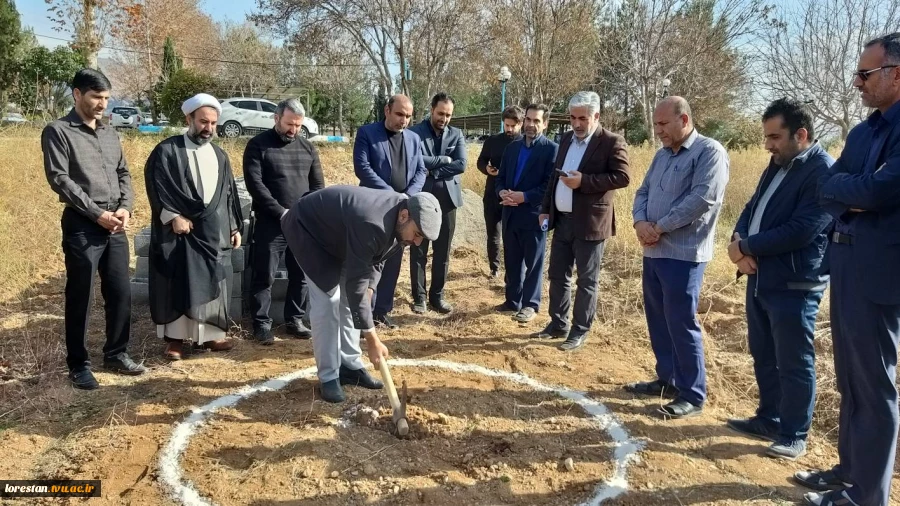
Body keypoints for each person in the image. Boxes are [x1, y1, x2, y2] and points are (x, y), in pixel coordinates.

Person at [800, 32, 900, 506]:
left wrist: (856, 191)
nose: (856, 82)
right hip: (844, 263)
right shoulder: (864, 131)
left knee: (874, 384)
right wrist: (856, 193)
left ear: (895, 73)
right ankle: (848, 471)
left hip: (880, 273)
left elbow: (881, 193)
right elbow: (826, 187)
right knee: (849, 378)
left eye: (865, 73)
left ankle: (867, 496)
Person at [725, 98, 833, 461]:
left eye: (774, 136)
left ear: (801, 134)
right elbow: (751, 207)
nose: (767, 144)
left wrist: (748, 246)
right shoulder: (777, 164)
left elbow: (802, 230)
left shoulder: (822, 171)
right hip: (761, 275)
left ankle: (794, 433)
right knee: (763, 352)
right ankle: (768, 418)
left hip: (795, 283)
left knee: (794, 360)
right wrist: (737, 242)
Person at [281, 186, 441, 402]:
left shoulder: (403, 215)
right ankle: (329, 376)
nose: (417, 242)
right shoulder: (372, 222)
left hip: (342, 237)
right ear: (404, 216)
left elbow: (378, 259)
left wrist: (371, 289)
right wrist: (372, 339)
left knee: (349, 302)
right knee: (329, 301)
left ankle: (349, 366)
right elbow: (356, 283)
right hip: (309, 232)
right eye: (418, 234)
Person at [41, 68, 146, 389]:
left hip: (115, 225)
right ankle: (79, 365)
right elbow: (60, 179)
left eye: (106, 98)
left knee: (120, 292)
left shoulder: (109, 133)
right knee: (81, 295)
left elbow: (124, 173)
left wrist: (126, 207)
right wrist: (97, 213)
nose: (102, 104)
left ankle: (116, 353)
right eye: (96, 97)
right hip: (82, 226)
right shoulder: (58, 131)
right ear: (77, 94)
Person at [625, 96, 729, 419]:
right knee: (659, 318)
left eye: (663, 124)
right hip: (653, 250)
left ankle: (692, 393)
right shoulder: (661, 157)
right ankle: (667, 379)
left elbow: (702, 199)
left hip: (683, 255)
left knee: (682, 322)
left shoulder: (710, 152)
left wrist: (659, 226)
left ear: (683, 120)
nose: (658, 131)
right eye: (656, 124)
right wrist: (640, 222)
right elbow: (642, 192)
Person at [144, 94, 243, 361]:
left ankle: (211, 336)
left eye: (213, 123)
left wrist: (233, 226)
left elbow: (228, 195)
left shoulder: (220, 155)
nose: (208, 128)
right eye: (203, 122)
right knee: (177, 278)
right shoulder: (167, 151)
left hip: (212, 232)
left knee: (214, 276)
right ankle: (175, 340)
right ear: (188, 119)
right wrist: (172, 216)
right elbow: (157, 188)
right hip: (180, 232)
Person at [537, 91, 630, 351]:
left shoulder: (612, 142)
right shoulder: (566, 139)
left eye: (583, 118)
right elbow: (554, 179)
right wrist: (545, 209)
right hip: (562, 220)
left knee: (587, 280)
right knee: (557, 275)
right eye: (572, 118)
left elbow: (622, 177)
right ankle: (558, 323)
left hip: (590, 223)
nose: (577, 124)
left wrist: (584, 182)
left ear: (596, 116)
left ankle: (580, 330)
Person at [244, 98, 325, 344]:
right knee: (264, 275)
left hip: (301, 223)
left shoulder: (308, 148)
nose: (293, 130)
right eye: (289, 124)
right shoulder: (258, 146)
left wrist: (307, 213)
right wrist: (281, 212)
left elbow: (318, 186)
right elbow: (255, 185)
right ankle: (261, 324)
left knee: (300, 274)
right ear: (276, 118)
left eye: (298, 126)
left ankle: (295, 319)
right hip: (271, 223)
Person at [353, 94, 427, 329]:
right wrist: (391, 194)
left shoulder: (414, 139)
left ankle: (382, 311)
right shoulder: (367, 134)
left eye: (407, 116)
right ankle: (362, 312)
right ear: (387, 110)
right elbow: (362, 168)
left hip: (402, 211)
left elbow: (421, 171)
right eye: (399, 114)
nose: (403, 120)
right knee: (369, 262)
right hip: (374, 208)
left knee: (393, 260)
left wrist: (407, 196)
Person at [494, 104, 558, 324]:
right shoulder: (512, 148)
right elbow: (500, 178)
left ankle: (530, 304)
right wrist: (501, 191)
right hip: (510, 213)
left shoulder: (551, 149)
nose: (531, 124)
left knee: (534, 263)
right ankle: (512, 301)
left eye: (536, 121)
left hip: (534, 215)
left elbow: (550, 185)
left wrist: (524, 196)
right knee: (512, 261)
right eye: (528, 120)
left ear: (545, 123)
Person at [408, 93, 467, 314]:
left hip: (448, 202)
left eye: (448, 115)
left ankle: (437, 296)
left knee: (442, 253)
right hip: (421, 201)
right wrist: (443, 161)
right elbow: (414, 160)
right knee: (419, 250)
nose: (444, 118)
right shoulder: (414, 133)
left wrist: (432, 170)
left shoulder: (457, 134)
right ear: (432, 110)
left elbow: (461, 165)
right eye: (441, 113)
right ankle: (419, 298)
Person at [477, 106, 524, 279]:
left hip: (514, 196)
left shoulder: (525, 143)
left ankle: (512, 271)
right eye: (506, 125)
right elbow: (481, 161)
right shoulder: (493, 141)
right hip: (492, 194)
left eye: (513, 126)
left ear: (521, 124)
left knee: (511, 236)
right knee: (493, 235)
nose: (509, 129)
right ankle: (494, 268)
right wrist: (487, 169)